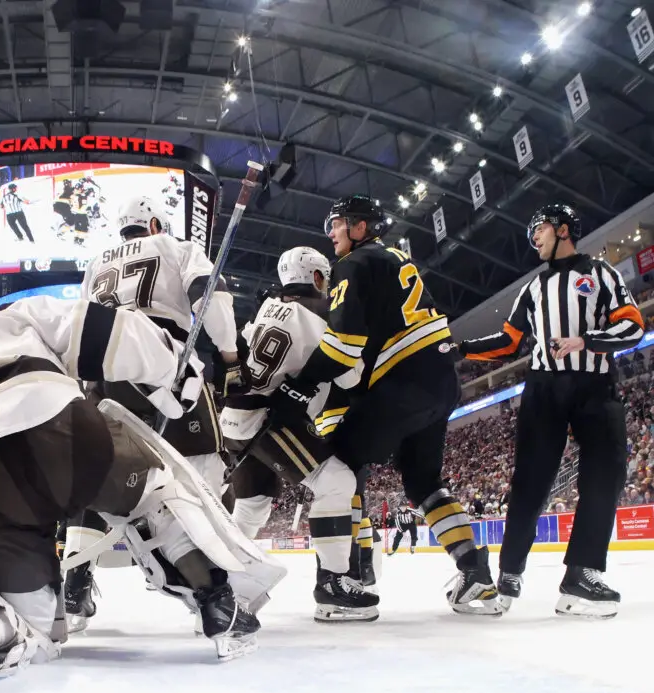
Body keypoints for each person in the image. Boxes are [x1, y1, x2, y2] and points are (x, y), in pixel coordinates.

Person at [0, 280, 284, 689]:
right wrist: (174, 367)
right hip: (59, 425)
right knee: (152, 496)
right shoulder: (13, 315)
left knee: (33, 626)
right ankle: (217, 603)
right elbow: (106, 331)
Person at [275, 194, 500, 615]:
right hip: (441, 381)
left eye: (337, 223)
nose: (331, 232)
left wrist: (300, 386)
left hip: (403, 381)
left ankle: (341, 580)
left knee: (337, 468)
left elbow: (343, 346)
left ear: (360, 227)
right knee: (423, 481)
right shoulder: (395, 259)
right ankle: (476, 574)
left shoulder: (353, 264)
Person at [457, 203, 643, 618]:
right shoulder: (533, 288)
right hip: (544, 387)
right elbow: (508, 342)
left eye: (538, 229)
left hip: (596, 384)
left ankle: (582, 573)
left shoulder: (601, 274)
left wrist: (586, 340)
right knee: (530, 478)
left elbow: (632, 325)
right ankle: (508, 574)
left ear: (562, 229)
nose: (533, 238)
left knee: (608, 472)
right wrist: (461, 347)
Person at [64, 195, 241, 632]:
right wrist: (229, 352)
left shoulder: (97, 264)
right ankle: (214, 594)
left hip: (104, 375)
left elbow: (79, 324)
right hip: (164, 364)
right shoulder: (176, 247)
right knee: (204, 472)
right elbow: (210, 299)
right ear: (157, 224)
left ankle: (74, 589)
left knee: (96, 478)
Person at [222, 246, 378, 622]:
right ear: (318, 277)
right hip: (269, 417)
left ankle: (222, 591)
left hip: (233, 416)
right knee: (337, 481)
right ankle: (334, 586)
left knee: (252, 504)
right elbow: (351, 377)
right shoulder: (325, 313)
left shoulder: (267, 306)